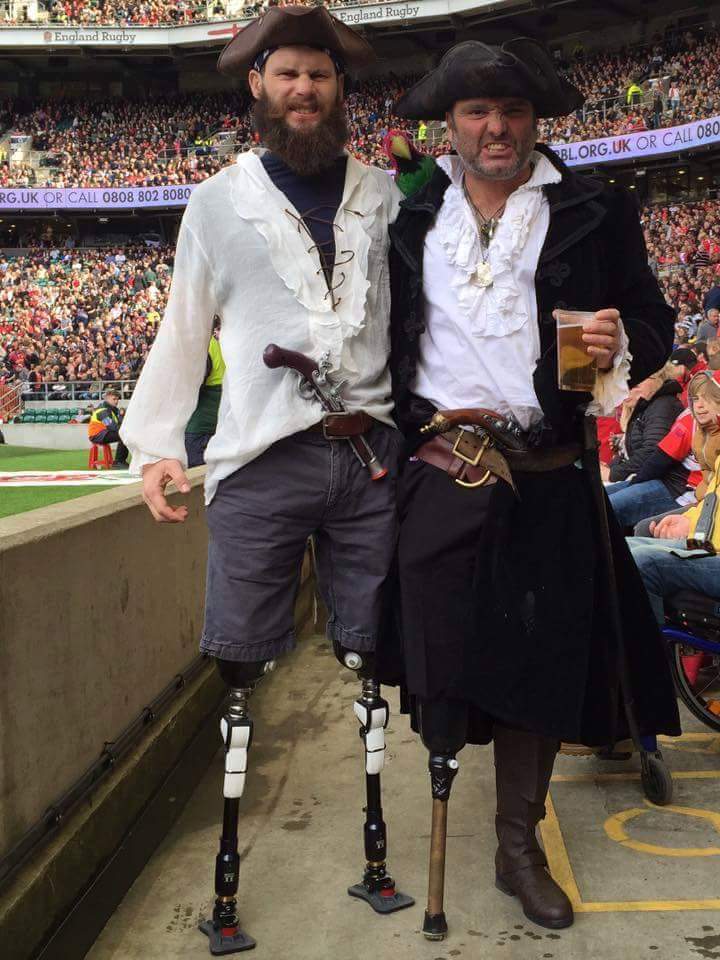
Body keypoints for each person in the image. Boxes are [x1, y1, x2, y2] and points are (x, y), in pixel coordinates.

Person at [120, 7, 411, 953]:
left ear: (339, 86)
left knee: (369, 659)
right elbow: (183, 324)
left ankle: (377, 863)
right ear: (256, 84)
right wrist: (158, 442)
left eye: (319, 76)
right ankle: (229, 895)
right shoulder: (216, 201)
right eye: (286, 74)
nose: (304, 91)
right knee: (240, 665)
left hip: (370, 456)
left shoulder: (387, 193)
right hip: (259, 460)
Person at [380, 37, 680, 935]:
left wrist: (613, 347)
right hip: (440, 465)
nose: (495, 127)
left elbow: (655, 327)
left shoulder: (594, 209)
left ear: (536, 121)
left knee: (537, 667)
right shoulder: (409, 212)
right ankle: (447, 787)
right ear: (451, 124)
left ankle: (517, 844)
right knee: (439, 659)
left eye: (511, 111)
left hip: (545, 472)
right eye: (476, 112)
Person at [628, 450, 720, 624]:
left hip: (713, 550)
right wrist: (689, 521)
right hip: (707, 544)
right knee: (620, 548)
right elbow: (713, 501)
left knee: (644, 561)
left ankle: (650, 649)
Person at [605, 367, 686, 527]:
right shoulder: (650, 405)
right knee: (594, 501)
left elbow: (652, 451)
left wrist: (613, 473)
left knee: (602, 510)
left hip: (671, 486)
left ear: (656, 379)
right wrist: (611, 467)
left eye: (636, 383)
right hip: (653, 478)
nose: (628, 389)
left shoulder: (663, 405)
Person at [184, 321, 224, 468]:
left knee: (196, 476)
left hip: (198, 427)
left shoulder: (201, 346)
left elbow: (192, 386)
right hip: (216, 423)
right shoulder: (215, 344)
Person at [87, 388, 130, 468]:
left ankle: (120, 461)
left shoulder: (112, 410)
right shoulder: (102, 411)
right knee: (124, 434)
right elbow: (112, 427)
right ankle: (118, 462)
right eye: (114, 399)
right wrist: (121, 418)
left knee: (125, 434)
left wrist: (121, 416)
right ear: (107, 398)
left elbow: (118, 425)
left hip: (104, 433)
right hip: (97, 435)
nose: (116, 401)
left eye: (117, 399)